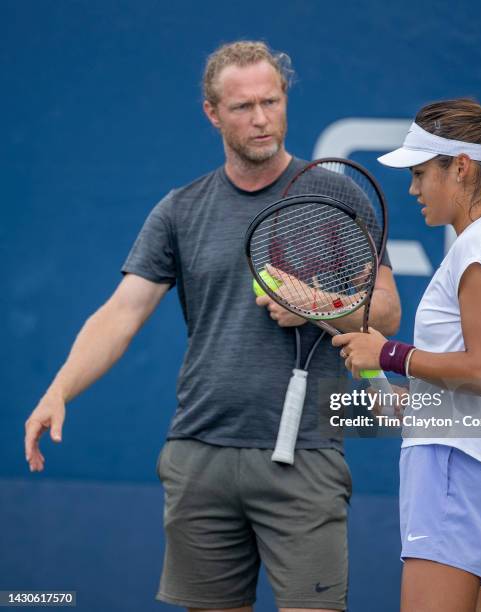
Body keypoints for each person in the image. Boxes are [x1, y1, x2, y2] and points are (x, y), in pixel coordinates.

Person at [24, 41, 401, 612]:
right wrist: (59, 389)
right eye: (242, 107)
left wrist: (313, 306)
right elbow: (122, 313)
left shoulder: (335, 193)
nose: (260, 119)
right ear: (212, 113)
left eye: (271, 102)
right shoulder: (181, 209)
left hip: (305, 455)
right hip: (200, 455)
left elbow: (388, 314)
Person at [333, 99, 481, 612]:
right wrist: (399, 395)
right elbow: (476, 388)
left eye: (421, 173)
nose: (413, 188)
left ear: (461, 167)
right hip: (474, 471)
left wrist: (389, 352)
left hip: (456, 472)